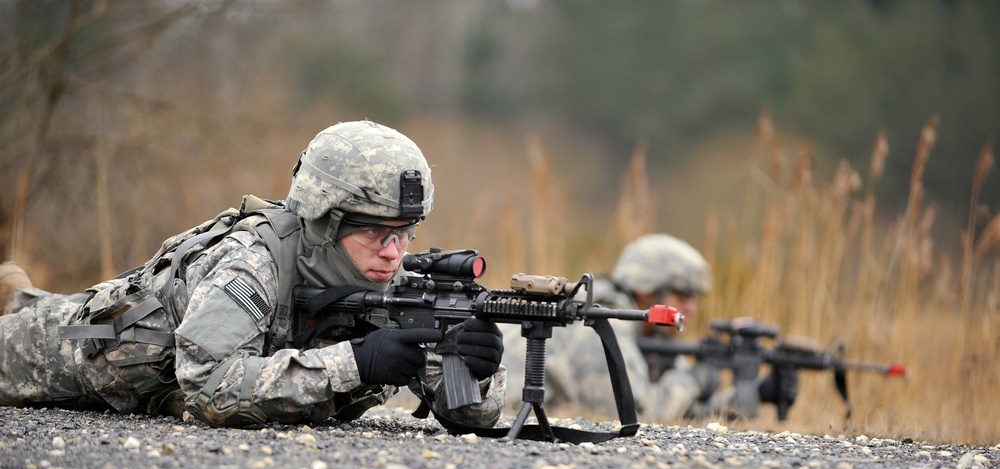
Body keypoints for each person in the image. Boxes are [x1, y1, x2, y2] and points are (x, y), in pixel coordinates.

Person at [0, 120, 506, 428]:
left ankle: (17, 293)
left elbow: (464, 415)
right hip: (94, 344)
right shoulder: (255, 261)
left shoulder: (389, 282)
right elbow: (207, 385)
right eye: (378, 233)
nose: (395, 254)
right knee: (33, 335)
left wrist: (476, 374)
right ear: (326, 221)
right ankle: (21, 304)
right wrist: (354, 364)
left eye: (406, 233)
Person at [503, 233, 791, 423]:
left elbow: (681, 417)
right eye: (682, 295)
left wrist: (756, 394)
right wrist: (695, 378)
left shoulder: (637, 333)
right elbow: (638, 416)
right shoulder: (595, 323)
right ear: (647, 291)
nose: (691, 309)